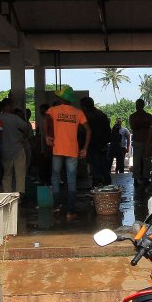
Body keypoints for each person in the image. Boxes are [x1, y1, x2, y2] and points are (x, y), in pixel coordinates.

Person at [46, 87, 89, 217]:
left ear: (61, 99)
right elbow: (89, 130)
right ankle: (70, 211)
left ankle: (56, 207)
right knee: (71, 180)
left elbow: (45, 121)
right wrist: (85, 148)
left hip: (57, 148)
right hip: (72, 150)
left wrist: (47, 136)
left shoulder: (53, 110)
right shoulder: (78, 112)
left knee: (55, 178)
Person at [0, 99, 31, 195]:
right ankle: (19, 195)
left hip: (4, 150)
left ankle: (7, 195)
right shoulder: (14, 118)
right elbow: (26, 128)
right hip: (17, 149)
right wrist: (24, 138)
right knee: (20, 174)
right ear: (7, 106)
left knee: (7, 175)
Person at [81, 96, 112, 186]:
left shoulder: (87, 116)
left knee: (95, 166)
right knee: (103, 165)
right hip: (102, 144)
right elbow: (108, 130)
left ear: (85, 106)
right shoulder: (101, 114)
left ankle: (98, 184)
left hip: (92, 145)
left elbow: (84, 132)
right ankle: (106, 182)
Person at [129, 98, 152, 186]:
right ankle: (140, 178)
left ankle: (141, 178)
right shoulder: (148, 116)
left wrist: (140, 124)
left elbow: (135, 126)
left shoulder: (134, 116)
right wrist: (145, 124)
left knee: (141, 161)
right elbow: (134, 126)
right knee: (141, 161)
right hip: (141, 141)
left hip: (141, 141)